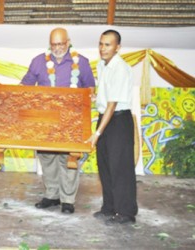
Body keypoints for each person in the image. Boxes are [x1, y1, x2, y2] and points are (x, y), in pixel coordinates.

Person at [21, 27, 95, 214]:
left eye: (61, 44)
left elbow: (90, 89)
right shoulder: (38, 62)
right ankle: (52, 195)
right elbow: (25, 86)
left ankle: (67, 199)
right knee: (48, 159)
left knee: (68, 159)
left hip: (72, 122)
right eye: (53, 44)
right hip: (45, 122)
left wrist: (89, 97)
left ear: (68, 42)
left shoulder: (82, 63)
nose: (57, 48)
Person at [87, 29, 138, 225]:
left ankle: (126, 213)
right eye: (101, 43)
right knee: (105, 165)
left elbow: (112, 104)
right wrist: (93, 98)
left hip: (118, 121)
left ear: (118, 47)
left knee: (120, 168)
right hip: (106, 118)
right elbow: (105, 97)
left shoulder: (120, 68)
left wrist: (97, 133)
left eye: (107, 45)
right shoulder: (102, 65)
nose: (103, 48)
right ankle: (109, 207)